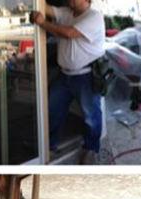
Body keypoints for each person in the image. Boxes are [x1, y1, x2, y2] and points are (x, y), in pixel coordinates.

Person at [31, 0, 106, 164]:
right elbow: (45, 8)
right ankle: (48, 146)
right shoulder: (66, 13)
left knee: (91, 116)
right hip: (65, 75)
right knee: (51, 110)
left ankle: (92, 148)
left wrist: (43, 23)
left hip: (86, 77)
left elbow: (69, 33)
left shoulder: (94, 17)